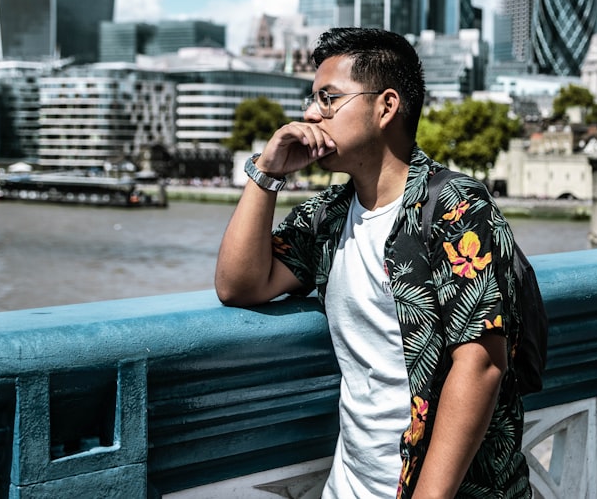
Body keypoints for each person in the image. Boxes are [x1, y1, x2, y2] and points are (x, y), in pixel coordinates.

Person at [214, 27, 530, 498]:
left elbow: (480, 364)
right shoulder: (328, 215)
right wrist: (267, 172)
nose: (309, 114)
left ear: (385, 106)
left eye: (328, 98)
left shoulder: (455, 207)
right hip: (350, 485)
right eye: (311, 98)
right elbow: (239, 285)